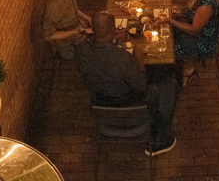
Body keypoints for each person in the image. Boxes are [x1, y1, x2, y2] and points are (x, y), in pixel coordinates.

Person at [74, 11, 179, 155]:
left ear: (93, 30)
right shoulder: (123, 59)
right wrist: (138, 58)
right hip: (129, 104)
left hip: (99, 101)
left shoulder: (80, 52)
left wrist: (113, 41)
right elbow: (141, 85)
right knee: (170, 86)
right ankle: (159, 142)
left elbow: (100, 63)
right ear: (113, 29)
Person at [158, 0, 219, 87]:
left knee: (165, 49)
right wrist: (180, 10)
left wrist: (170, 20)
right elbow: (191, 11)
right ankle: (175, 68)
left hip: (201, 42)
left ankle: (184, 71)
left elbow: (194, 30)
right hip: (193, 31)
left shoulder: (205, 5)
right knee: (166, 34)